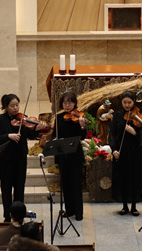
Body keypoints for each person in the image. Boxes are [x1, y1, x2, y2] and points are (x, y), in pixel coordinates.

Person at [0, 94, 47, 222]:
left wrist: (37, 130)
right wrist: (9, 136)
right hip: (6, 159)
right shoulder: (0, 119)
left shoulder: (24, 119)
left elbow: (31, 136)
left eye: (17, 105)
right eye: (12, 106)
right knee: (6, 189)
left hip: (20, 158)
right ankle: (7, 216)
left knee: (19, 188)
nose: (15, 108)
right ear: (6, 106)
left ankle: (18, 216)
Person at [50, 92, 87, 221]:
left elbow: (82, 137)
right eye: (65, 103)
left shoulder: (79, 117)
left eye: (70, 102)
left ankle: (79, 213)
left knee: (76, 185)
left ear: (74, 103)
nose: (67, 105)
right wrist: (54, 139)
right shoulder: (59, 117)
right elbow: (54, 134)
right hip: (62, 155)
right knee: (65, 184)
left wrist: (82, 126)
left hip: (75, 155)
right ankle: (69, 210)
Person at [109, 91, 142, 216]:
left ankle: (134, 206)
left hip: (135, 152)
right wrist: (114, 149)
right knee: (123, 178)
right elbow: (112, 134)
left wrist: (134, 132)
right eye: (124, 102)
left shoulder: (139, 116)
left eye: (129, 102)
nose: (127, 105)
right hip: (121, 152)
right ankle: (124, 206)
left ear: (134, 102)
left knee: (135, 178)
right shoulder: (118, 115)